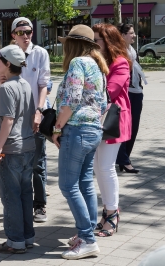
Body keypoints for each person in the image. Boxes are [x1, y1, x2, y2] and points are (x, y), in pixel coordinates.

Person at [52, 25, 109, 259]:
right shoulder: (98, 66)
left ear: (72, 44)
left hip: (77, 130)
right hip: (93, 130)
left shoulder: (78, 63)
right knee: (84, 182)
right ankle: (86, 233)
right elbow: (104, 104)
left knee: (67, 185)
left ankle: (87, 238)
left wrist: (57, 128)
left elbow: (72, 100)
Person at [0, 45, 35, 254]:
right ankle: (27, 237)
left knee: (11, 197)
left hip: (12, 148)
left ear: (8, 64)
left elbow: (7, 120)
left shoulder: (6, 88)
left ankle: (14, 241)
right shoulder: (24, 84)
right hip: (28, 146)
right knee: (25, 194)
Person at [92, 23, 132, 237]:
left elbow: (110, 91)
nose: (93, 44)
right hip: (98, 119)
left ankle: (112, 214)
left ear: (107, 42)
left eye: (96, 40)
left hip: (112, 121)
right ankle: (108, 211)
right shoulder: (98, 61)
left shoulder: (120, 62)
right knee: (99, 168)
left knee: (106, 168)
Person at [10, 17, 50, 222]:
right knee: (16, 161)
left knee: (37, 162)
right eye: (21, 32)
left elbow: (43, 85)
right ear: (13, 35)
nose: (25, 36)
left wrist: (39, 111)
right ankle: (20, 203)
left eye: (29, 32)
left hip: (35, 114)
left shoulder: (40, 53)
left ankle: (40, 205)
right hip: (14, 117)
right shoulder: (8, 54)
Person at [116, 23, 147, 173]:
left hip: (136, 91)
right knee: (124, 126)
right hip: (125, 92)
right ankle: (123, 160)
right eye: (131, 33)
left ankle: (125, 157)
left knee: (133, 127)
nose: (134, 35)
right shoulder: (118, 51)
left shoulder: (131, 50)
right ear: (122, 35)